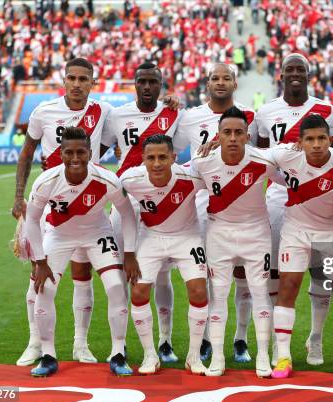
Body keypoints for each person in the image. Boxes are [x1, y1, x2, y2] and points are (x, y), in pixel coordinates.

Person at [13, 58, 112, 367]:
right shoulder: (44, 112)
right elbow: (27, 153)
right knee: (38, 276)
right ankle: (35, 343)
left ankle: (80, 345)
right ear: (64, 80)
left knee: (83, 275)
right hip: (48, 204)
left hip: (87, 205)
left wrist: (84, 169)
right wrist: (19, 196)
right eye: (72, 77)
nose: (78, 83)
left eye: (84, 78)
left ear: (92, 83)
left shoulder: (103, 112)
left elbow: (104, 147)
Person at [24, 127, 138, 377]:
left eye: (81, 152)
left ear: (90, 153)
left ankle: (118, 353)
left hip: (97, 232)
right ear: (61, 153)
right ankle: (48, 354)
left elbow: (128, 214)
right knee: (45, 288)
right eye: (69, 152)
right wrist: (40, 260)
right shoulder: (47, 181)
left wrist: (129, 254)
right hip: (59, 233)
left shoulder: (107, 179)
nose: (75, 158)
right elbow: (32, 220)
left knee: (117, 286)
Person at [255, 53, 333, 366]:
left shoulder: (328, 110)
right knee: (277, 272)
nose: (294, 74)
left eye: (300, 70)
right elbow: (262, 156)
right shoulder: (265, 112)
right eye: (289, 69)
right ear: (281, 74)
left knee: (320, 270)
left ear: (308, 74)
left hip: (319, 196)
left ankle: (315, 339)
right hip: (279, 195)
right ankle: (280, 346)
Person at [100, 62, 182, 364]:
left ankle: (165, 342)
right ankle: (118, 346)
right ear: (134, 84)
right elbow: (97, 150)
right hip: (124, 201)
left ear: (161, 85)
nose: (147, 87)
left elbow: (182, 152)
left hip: (159, 202)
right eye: (142, 81)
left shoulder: (173, 114)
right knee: (120, 272)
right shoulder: (117, 115)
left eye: (153, 82)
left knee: (161, 275)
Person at [268, 114, 333, 379]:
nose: (317, 144)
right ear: (301, 142)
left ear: (330, 139)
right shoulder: (287, 156)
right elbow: (253, 154)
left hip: (331, 231)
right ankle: (284, 357)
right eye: (310, 139)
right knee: (288, 286)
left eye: (322, 138)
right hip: (295, 230)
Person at [175, 63, 257, 363]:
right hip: (204, 202)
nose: (220, 82)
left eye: (226, 78)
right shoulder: (190, 118)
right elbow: (175, 154)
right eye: (214, 78)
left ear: (235, 83)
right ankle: (209, 337)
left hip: (243, 203)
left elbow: (259, 155)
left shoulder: (251, 116)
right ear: (207, 83)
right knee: (211, 272)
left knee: (243, 274)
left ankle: (240, 339)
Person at [190, 107, 278, 378]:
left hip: (256, 235)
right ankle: (217, 357)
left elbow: (293, 178)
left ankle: (263, 355)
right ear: (217, 135)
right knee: (219, 296)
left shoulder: (264, 161)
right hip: (219, 235)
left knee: (260, 294)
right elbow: (180, 186)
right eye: (226, 132)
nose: (232, 138)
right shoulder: (202, 162)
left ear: (247, 136)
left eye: (238, 132)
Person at [120, 135, 209, 375]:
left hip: (187, 237)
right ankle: (150, 355)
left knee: (200, 291)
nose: (157, 163)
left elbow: (220, 177)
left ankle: (194, 356)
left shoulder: (192, 177)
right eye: (151, 158)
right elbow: (113, 200)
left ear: (173, 157)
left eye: (162, 157)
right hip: (150, 238)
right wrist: (128, 252)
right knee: (138, 291)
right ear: (143, 159)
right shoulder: (130, 179)